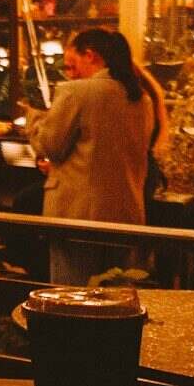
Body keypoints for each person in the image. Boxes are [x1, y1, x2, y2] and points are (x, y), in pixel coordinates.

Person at [29, 28, 163, 284]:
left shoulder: (78, 92)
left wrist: (33, 119)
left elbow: (50, 145)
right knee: (115, 297)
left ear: (90, 56)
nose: (71, 72)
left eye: (72, 64)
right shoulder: (141, 99)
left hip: (77, 215)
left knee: (73, 297)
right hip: (126, 215)